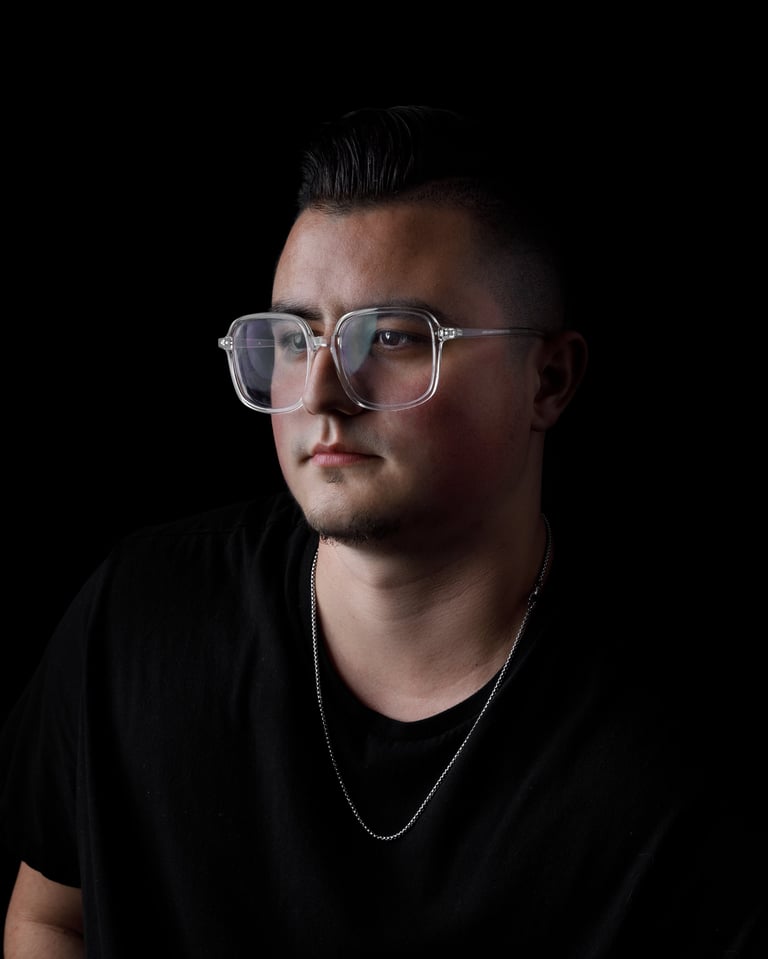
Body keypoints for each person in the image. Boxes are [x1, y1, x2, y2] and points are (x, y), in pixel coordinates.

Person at [1, 104, 764, 957]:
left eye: (395, 337)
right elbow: (51, 913)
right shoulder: (140, 616)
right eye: (293, 339)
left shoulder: (678, 747)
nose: (321, 392)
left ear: (549, 378)